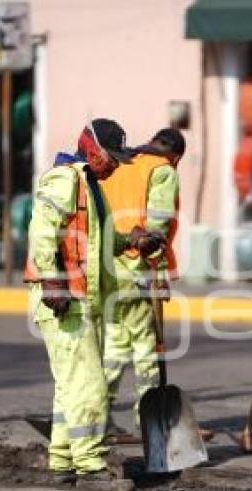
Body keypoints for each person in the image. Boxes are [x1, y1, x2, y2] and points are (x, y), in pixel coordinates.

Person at [24, 119, 161, 486]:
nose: (115, 165)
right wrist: (52, 280)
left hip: (80, 299)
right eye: (111, 157)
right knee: (89, 385)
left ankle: (63, 461)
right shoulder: (66, 179)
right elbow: (42, 229)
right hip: (65, 299)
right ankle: (91, 467)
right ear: (92, 149)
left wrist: (132, 241)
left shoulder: (90, 187)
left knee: (70, 385)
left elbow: (98, 243)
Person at [99, 128, 185, 430]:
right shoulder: (162, 170)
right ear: (175, 156)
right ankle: (150, 421)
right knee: (146, 348)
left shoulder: (121, 164)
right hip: (138, 267)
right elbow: (157, 227)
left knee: (116, 346)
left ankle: (98, 414)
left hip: (110, 266)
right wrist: (158, 272)